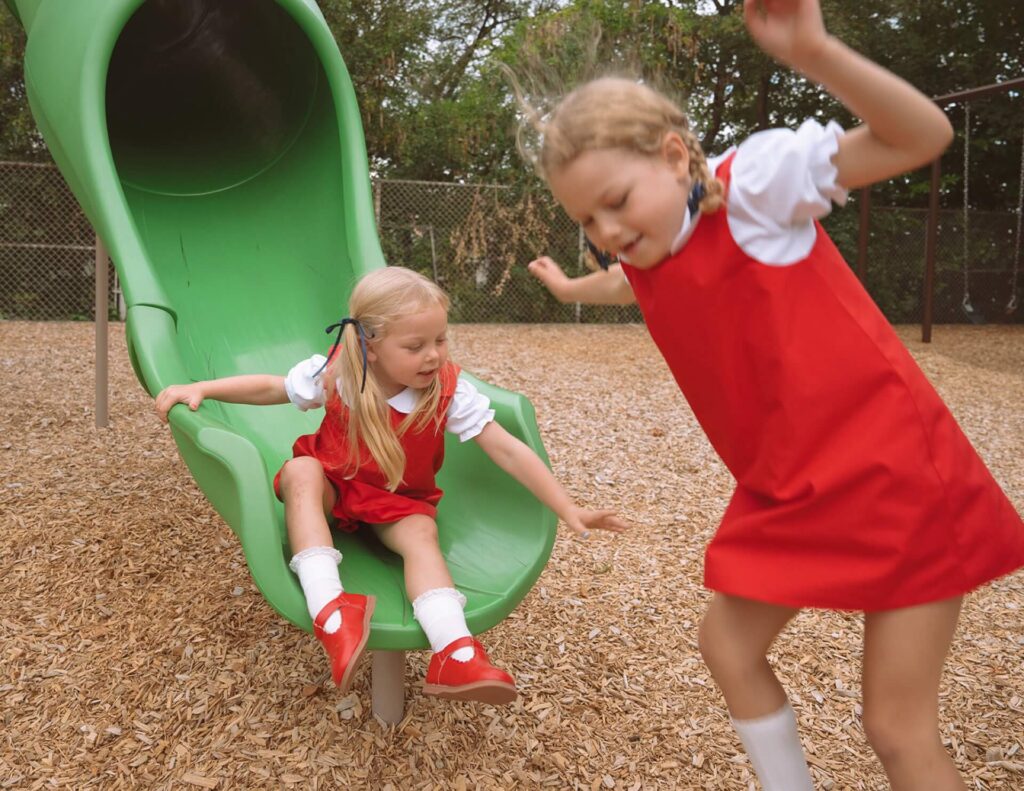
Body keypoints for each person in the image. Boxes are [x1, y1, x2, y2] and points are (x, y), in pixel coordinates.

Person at [518, 1, 1024, 788]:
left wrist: (814, 51)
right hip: (795, 487)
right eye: (587, 218)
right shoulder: (650, 251)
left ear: (676, 156)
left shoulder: (753, 185)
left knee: (896, 729)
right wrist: (566, 287)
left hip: (895, 478)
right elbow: (626, 282)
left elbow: (922, 137)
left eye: (616, 201)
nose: (607, 228)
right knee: (727, 644)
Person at [156, 266, 626, 704]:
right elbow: (273, 388)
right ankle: (333, 612)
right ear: (372, 345)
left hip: (398, 501)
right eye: (416, 345)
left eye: (441, 339)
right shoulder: (340, 373)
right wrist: (203, 389)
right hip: (335, 487)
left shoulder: (447, 389)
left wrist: (568, 508)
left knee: (423, 535)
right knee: (301, 471)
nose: (434, 355)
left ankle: (455, 653)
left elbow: (505, 447)